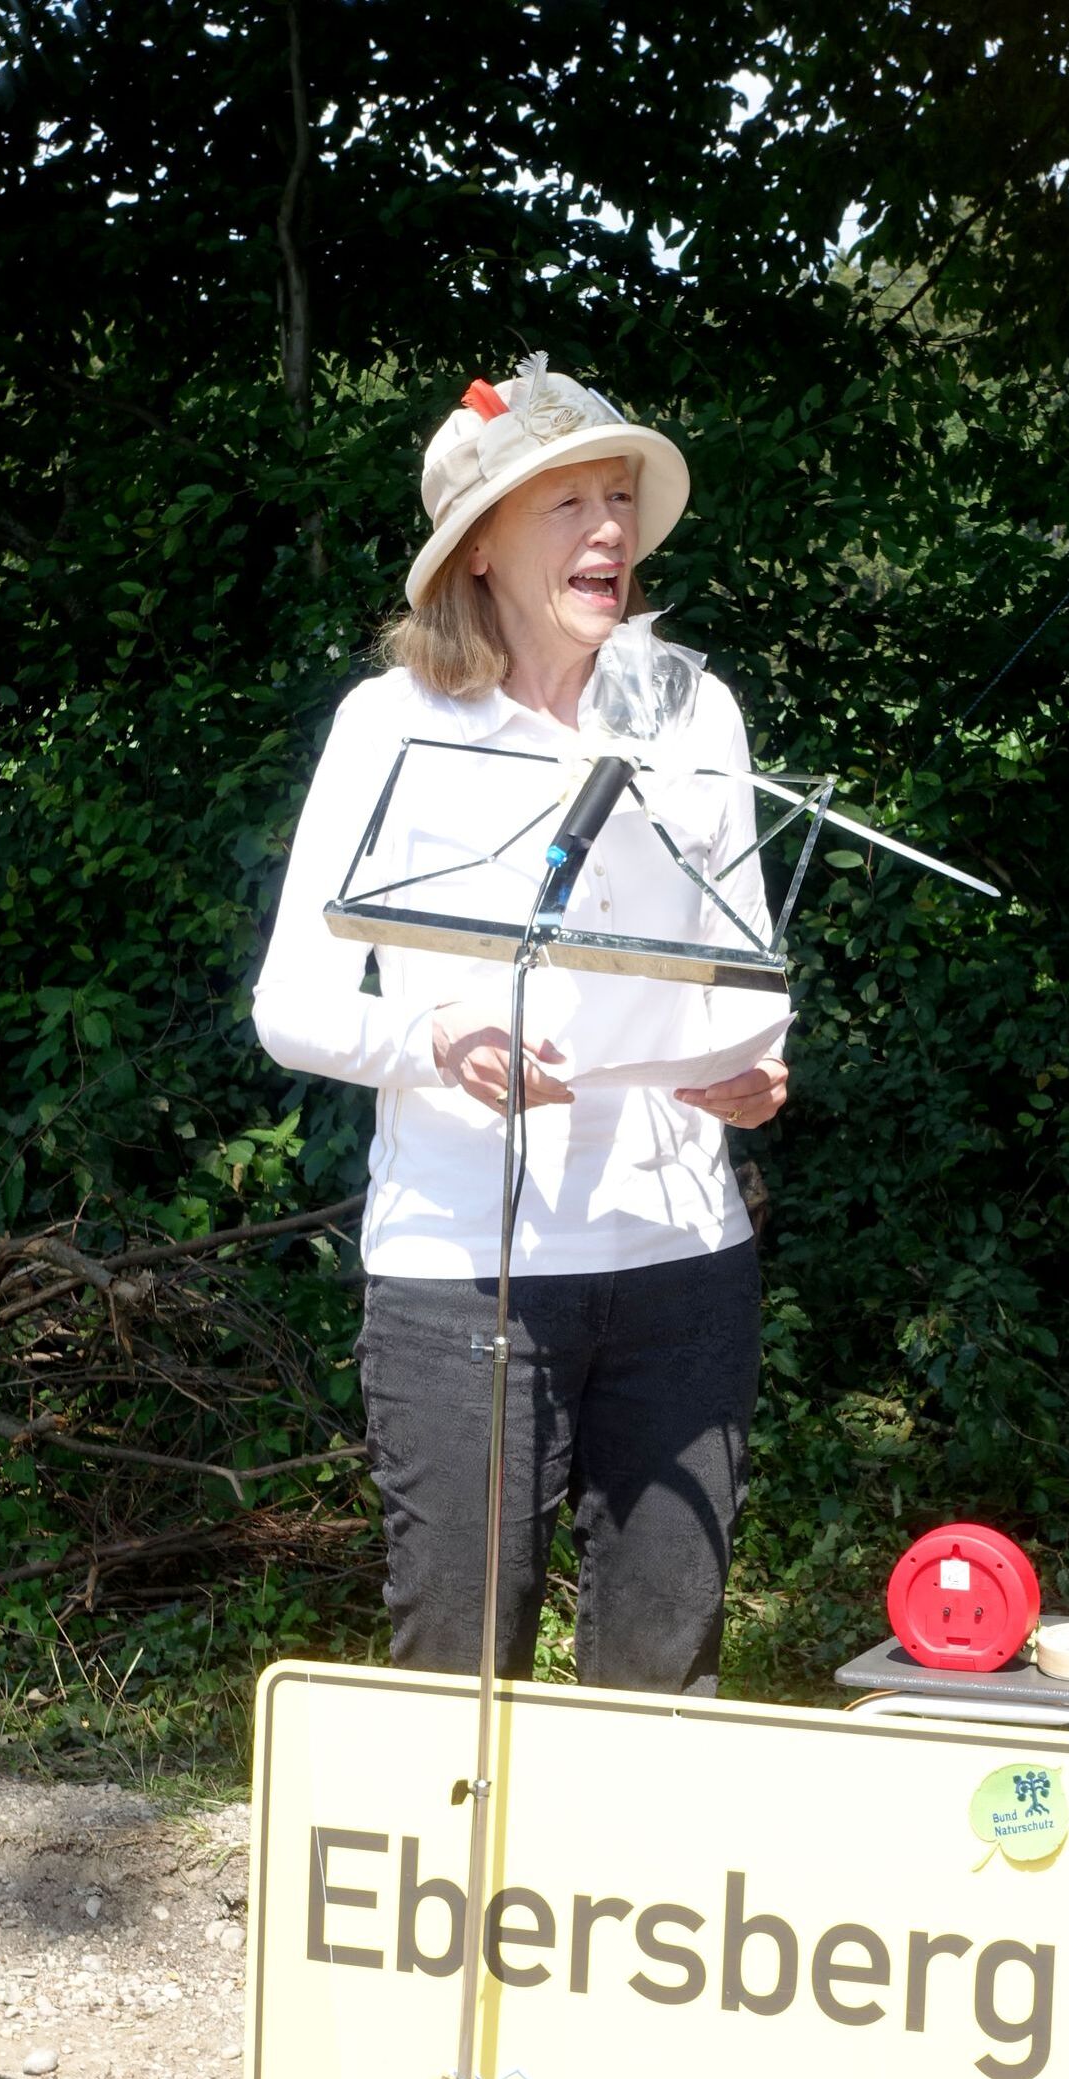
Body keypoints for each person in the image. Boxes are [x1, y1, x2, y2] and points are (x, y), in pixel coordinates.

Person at [253, 354, 788, 1695]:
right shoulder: (394, 724)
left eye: (619, 498)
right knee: (457, 1682)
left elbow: (743, 970)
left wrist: (755, 1061)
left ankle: (628, 1905)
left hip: (686, 1264)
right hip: (461, 1274)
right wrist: (438, 1042)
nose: (609, 530)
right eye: (566, 504)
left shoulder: (693, 711)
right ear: (478, 548)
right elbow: (294, 1007)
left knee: (662, 1678)